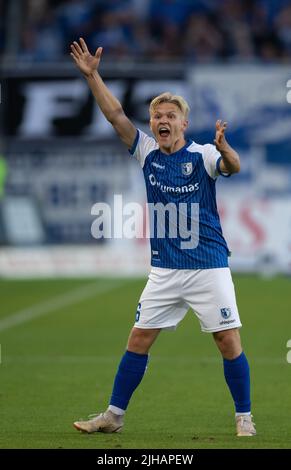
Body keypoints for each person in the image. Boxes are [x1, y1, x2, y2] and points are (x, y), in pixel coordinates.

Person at [70, 38, 256, 437]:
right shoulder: (147, 152)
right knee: (138, 339)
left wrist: (226, 149)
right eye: (157, 116)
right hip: (165, 270)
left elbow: (233, 166)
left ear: (184, 123)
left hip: (208, 266)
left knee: (227, 340)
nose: (162, 120)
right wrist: (93, 76)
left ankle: (244, 417)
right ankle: (113, 417)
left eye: (170, 115)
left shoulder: (204, 155)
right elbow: (115, 115)